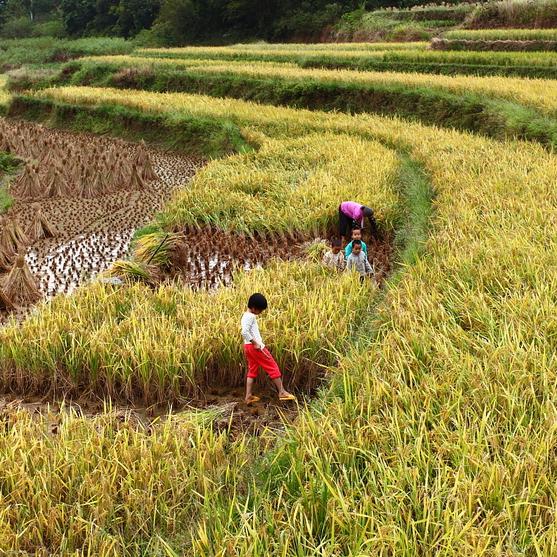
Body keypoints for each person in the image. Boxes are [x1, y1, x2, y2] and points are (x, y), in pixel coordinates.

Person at [241, 293, 296, 405]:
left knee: (252, 370)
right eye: (260, 310)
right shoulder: (251, 317)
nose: (260, 313)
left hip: (247, 347)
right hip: (255, 348)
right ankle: (281, 392)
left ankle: (248, 396)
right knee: (272, 366)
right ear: (254, 308)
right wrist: (255, 343)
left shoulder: (245, 315)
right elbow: (244, 332)